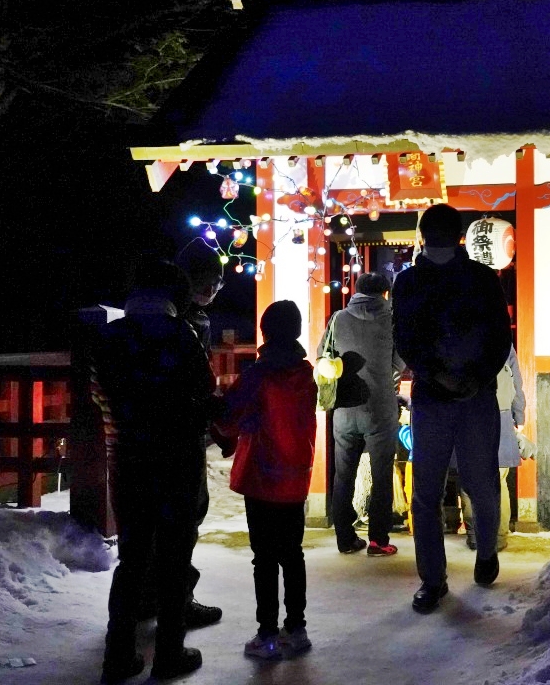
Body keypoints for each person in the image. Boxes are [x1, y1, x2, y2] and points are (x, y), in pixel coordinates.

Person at [94, 258, 220, 682]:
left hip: (127, 459)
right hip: (178, 462)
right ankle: (169, 653)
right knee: (173, 557)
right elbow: (205, 391)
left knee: (131, 559)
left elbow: (99, 396)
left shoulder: (107, 338)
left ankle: (118, 657)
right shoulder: (181, 336)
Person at [391, 203, 512, 613]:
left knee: (426, 491)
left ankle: (433, 579)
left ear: (421, 235)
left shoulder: (408, 282)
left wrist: (437, 375)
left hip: (434, 393)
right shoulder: (482, 278)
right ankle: (482, 554)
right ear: (459, 235)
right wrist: (475, 377)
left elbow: (404, 339)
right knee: (480, 482)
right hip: (474, 392)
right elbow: (500, 337)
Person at [214, 300, 318, 661]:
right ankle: (297, 628)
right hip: (295, 478)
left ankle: (267, 633)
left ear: (264, 333)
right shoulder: (306, 373)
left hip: (261, 476)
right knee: (293, 554)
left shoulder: (257, 376)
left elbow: (227, 418)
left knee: (265, 558)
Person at [323, 272, 405, 556]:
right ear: (385, 293)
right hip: (380, 408)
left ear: (356, 292)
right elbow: (399, 362)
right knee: (382, 476)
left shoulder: (338, 319)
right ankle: (378, 541)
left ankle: (345, 539)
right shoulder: (393, 319)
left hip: (344, 408)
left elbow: (325, 354)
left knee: (343, 474)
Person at [168, 240, 227, 629]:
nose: (211, 291)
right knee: (183, 517)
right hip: (179, 434)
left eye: (217, 284)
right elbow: (198, 385)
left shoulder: (189, 319)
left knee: (166, 524)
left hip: (147, 437)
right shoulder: (182, 325)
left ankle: (155, 599)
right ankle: (178, 604)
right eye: (206, 282)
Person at [462, 345, 525, 552]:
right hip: (501, 410)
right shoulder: (501, 335)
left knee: (469, 478)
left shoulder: (459, 329)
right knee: (498, 480)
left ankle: (475, 536)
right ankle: (498, 537)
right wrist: (519, 415)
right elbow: (515, 377)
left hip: (468, 411)